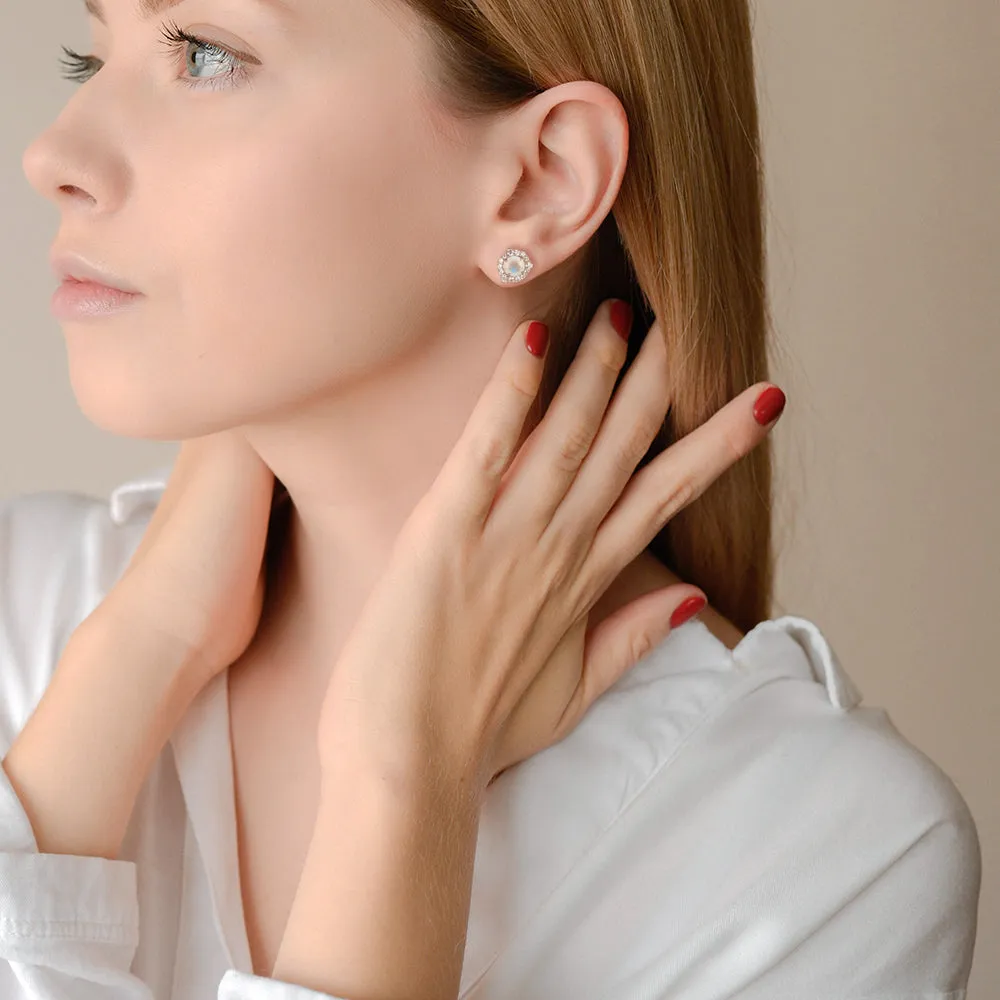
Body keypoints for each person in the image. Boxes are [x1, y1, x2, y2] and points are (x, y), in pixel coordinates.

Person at [0, 0, 981, 997]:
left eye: (207, 54)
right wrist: (137, 651)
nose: (54, 153)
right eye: (95, 50)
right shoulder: (27, 612)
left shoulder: (815, 858)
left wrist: (403, 771)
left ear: (542, 180)